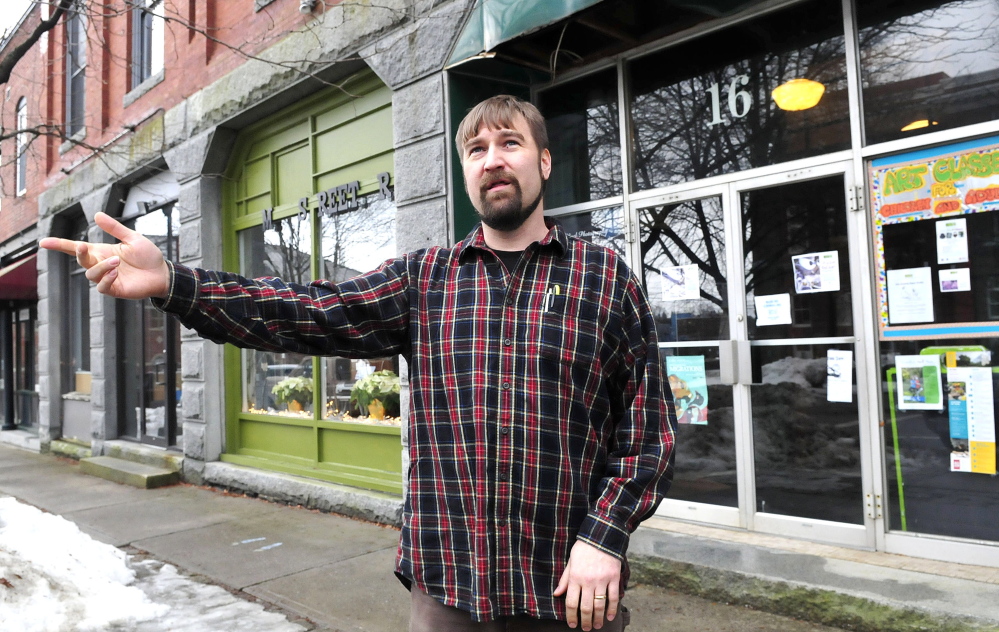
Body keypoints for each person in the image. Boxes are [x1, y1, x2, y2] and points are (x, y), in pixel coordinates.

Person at [41, 95, 676, 631]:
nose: (492, 160)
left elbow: (647, 430)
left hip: (570, 582)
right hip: (449, 583)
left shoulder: (603, 276)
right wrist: (175, 283)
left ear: (542, 159)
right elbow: (302, 307)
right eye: (475, 150)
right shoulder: (425, 280)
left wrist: (604, 537)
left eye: (509, 143)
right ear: (464, 172)